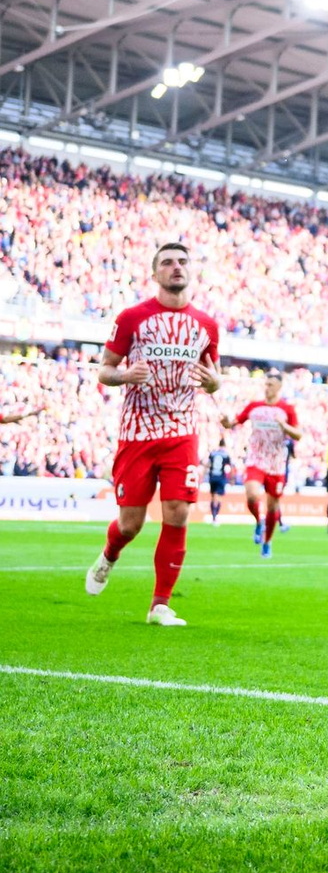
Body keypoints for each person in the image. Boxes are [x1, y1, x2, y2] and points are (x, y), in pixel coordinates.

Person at [84, 242, 221, 626]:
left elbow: (213, 377)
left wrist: (214, 384)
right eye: (167, 263)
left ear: (190, 270)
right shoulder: (132, 318)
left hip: (182, 431)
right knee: (131, 524)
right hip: (138, 432)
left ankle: (159, 605)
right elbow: (105, 370)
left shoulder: (207, 325)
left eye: (182, 262)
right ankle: (109, 555)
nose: (176, 267)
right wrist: (125, 375)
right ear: (154, 272)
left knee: (177, 515)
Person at [223, 369, 301, 559]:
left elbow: (298, 434)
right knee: (251, 495)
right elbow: (234, 423)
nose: (267, 388)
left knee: (273, 507)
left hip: (276, 464)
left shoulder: (287, 409)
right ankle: (259, 521)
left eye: (271, 385)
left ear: (279, 387)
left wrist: (284, 426)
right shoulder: (254, 406)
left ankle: (267, 542)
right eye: (266, 384)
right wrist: (226, 423)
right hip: (256, 459)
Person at [206, 437, 232, 524]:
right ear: (224, 445)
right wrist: (232, 479)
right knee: (219, 498)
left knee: (213, 497)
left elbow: (208, 464)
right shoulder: (226, 454)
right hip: (221, 477)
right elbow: (230, 467)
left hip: (212, 477)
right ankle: (215, 516)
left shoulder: (213, 453)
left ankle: (213, 516)